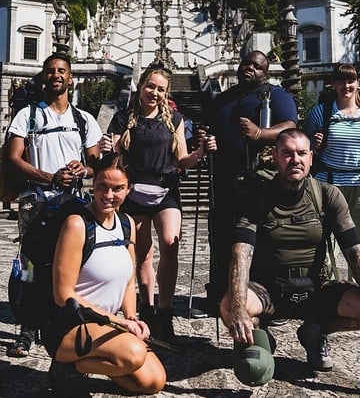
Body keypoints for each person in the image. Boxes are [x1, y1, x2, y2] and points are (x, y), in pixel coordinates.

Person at [220, 129, 360, 379]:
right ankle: (258, 336)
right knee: (229, 307)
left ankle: (314, 332)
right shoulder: (257, 196)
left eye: (301, 153)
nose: (295, 159)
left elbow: (355, 254)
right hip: (268, 290)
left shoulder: (328, 195)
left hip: (315, 289)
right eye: (287, 154)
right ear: (276, 157)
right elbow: (240, 253)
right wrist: (237, 308)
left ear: (311, 158)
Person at [100, 65, 217, 343]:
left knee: (170, 242)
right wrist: (107, 150)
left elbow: (183, 160)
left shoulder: (174, 119)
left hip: (165, 190)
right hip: (134, 192)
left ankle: (165, 310)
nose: (154, 92)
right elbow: (113, 156)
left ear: (167, 93)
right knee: (142, 255)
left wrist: (200, 153)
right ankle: (148, 309)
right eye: (150, 86)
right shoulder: (123, 118)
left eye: (160, 89)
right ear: (141, 86)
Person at [3, 52, 102, 356]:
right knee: (29, 265)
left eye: (62, 71)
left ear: (71, 78)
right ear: (43, 77)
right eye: (50, 71)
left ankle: (63, 324)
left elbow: (96, 164)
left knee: (71, 264)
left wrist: (81, 170)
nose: (56, 75)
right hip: (36, 202)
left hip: (73, 205)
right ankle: (26, 328)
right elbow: (12, 159)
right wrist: (50, 177)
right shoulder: (28, 115)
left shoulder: (84, 120)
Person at [43, 153, 166, 396]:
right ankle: (66, 366)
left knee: (153, 382)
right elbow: (62, 295)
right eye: (102, 187)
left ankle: (92, 363)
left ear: (129, 189)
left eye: (118, 189)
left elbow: (129, 282)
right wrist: (118, 322)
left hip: (107, 325)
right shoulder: (77, 224)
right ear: (94, 184)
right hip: (69, 327)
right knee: (133, 353)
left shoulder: (127, 223)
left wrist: (131, 318)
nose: (108, 196)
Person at [205, 50, 298, 308]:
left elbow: (290, 126)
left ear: (265, 72)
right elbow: (208, 127)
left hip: (259, 177)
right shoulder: (223, 99)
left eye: (257, 66)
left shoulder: (276, 95)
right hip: (222, 178)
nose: (250, 68)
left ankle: (260, 296)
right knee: (221, 234)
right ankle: (219, 293)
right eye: (246, 63)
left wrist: (261, 133)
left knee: (259, 237)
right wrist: (205, 140)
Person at [303, 63, 360, 278]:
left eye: (350, 80)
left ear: (358, 83)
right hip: (329, 184)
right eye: (341, 80)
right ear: (332, 84)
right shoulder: (320, 113)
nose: (346, 85)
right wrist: (314, 144)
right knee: (326, 242)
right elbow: (303, 147)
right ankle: (328, 290)